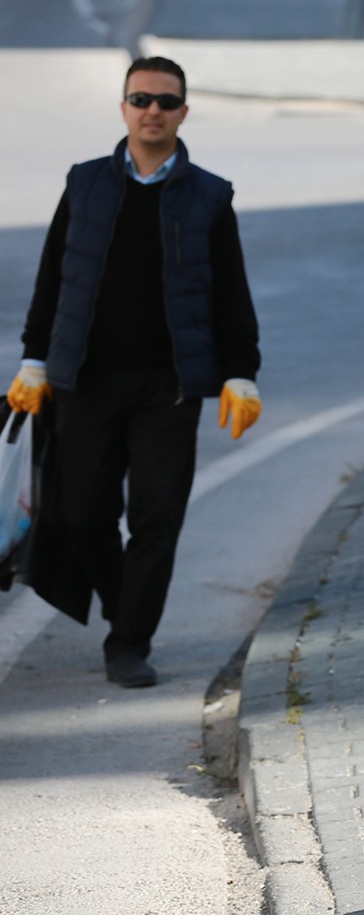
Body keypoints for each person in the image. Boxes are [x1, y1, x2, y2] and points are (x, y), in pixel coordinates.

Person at [6, 58, 262, 690]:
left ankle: (129, 642)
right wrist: (34, 358)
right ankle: (128, 602)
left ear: (183, 112)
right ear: (123, 107)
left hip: (167, 389)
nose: (153, 110)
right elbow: (52, 280)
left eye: (166, 102)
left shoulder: (209, 194)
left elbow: (230, 292)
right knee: (78, 516)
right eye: (141, 98)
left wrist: (241, 373)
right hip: (84, 382)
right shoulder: (86, 184)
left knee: (157, 517)